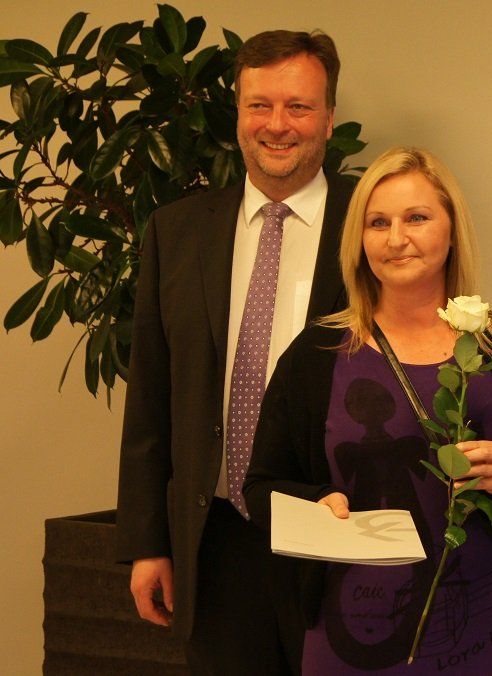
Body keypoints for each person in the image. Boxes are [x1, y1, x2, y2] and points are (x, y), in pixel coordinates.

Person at [243, 146, 492, 674]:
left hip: (490, 638)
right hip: (349, 643)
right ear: (359, 240)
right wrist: (317, 502)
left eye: (417, 218)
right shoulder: (315, 355)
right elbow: (261, 487)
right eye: (378, 223)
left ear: (452, 230)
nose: (396, 239)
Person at [115, 29, 353, 674]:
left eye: (298, 107)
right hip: (215, 539)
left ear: (329, 118)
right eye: (259, 106)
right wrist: (147, 542)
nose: (277, 125)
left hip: (339, 536)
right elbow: (151, 397)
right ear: (238, 115)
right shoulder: (176, 230)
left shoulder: (372, 226)